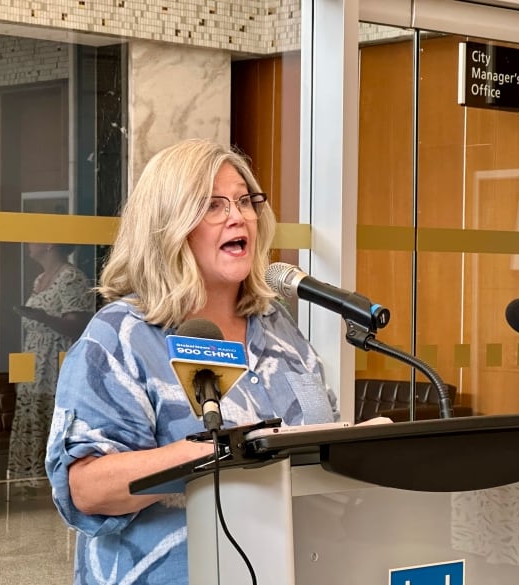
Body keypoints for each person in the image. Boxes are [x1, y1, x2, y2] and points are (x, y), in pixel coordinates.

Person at [45, 138, 339, 585]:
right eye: (214, 205)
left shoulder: (277, 326)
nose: (238, 216)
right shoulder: (122, 336)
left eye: (245, 201)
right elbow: (86, 488)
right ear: (168, 224)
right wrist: (205, 455)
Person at [8, 243, 92, 487]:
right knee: (32, 414)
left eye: (34, 240)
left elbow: (78, 325)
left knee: (50, 416)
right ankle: (30, 479)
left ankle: (54, 482)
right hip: (35, 360)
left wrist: (42, 317)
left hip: (55, 361)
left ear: (49, 244)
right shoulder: (39, 279)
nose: (28, 245)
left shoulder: (71, 277)